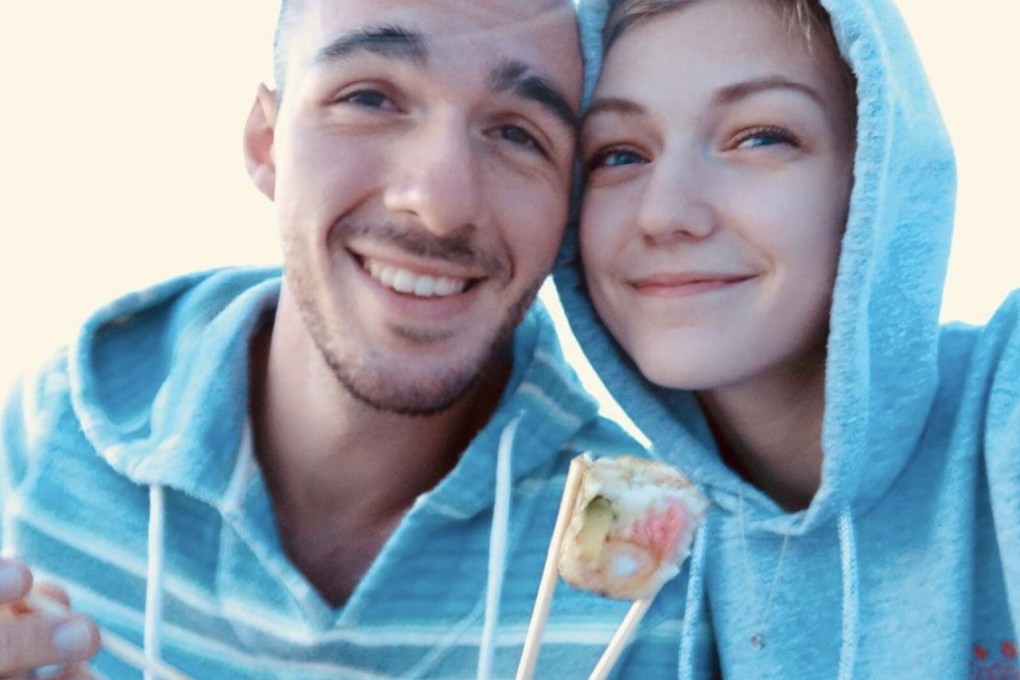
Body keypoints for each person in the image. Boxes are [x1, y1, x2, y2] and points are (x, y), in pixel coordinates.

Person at [0, 0, 679, 677]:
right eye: (370, 98)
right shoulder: (48, 438)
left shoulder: (650, 574)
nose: (440, 205)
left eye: (518, 135)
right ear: (266, 145)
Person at [554, 0, 1020, 677]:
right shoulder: (630, 552)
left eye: (759, 136)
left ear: (874, 178)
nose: (665, 214)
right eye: (619, 154)